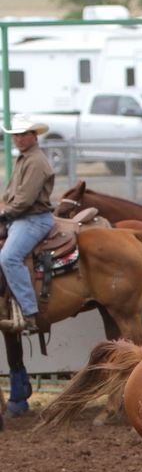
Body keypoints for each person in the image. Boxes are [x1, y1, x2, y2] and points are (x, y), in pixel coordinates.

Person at [0, 114, 55, 334]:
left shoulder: (36, 161)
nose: (18, 139)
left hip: (33, 219)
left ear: (34, 136)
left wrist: (4, 213)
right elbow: (11, 194)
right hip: (22, 216)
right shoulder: (25, 158)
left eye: (23, 135)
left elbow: (25, 200)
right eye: (16, 135)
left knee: (9, 257)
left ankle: (29, 312)